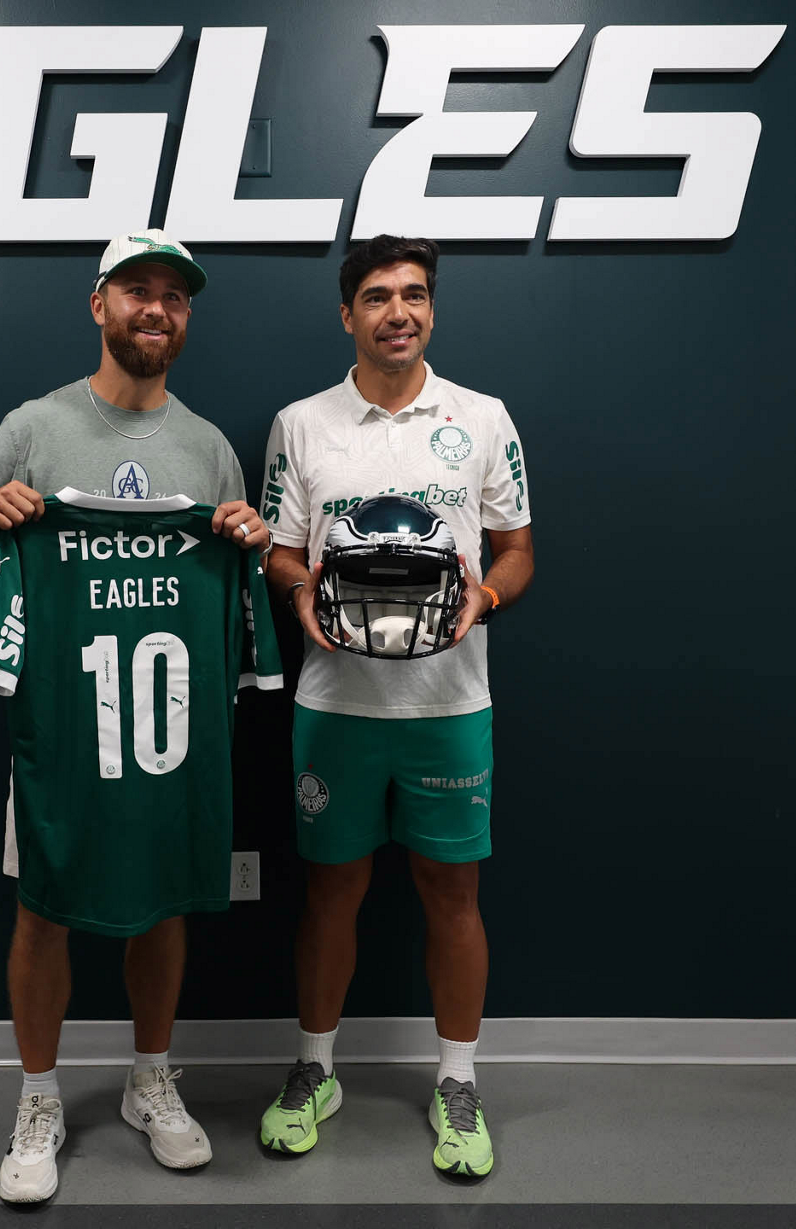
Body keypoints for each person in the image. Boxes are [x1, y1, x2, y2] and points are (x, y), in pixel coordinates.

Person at [0, 229, 272, 1204]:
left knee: (161, 899)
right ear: (99, 304)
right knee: (43, 905)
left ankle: (149, 1078)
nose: (155, 308)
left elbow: (236, 567)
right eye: (137, 290)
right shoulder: (35, 426)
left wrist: (247, 534)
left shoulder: (208, 446)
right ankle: (37, 1097)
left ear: (186, 315)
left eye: (174, 295)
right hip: (62, 724)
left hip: (165, 727)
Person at [257, 235, 534, 1178]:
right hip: (335, 700)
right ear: (348, 315)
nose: (398, 312)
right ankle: (316, 1067)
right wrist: (299, 589)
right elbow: (280, 549)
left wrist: (483, 597)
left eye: (414, 294)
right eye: (377, 296)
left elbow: (518, 550)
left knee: (452, 894)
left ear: (432, 309)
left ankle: (458, 1079)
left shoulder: (482, 417)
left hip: (449, 702)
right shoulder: (302, 423)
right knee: (330, 891)